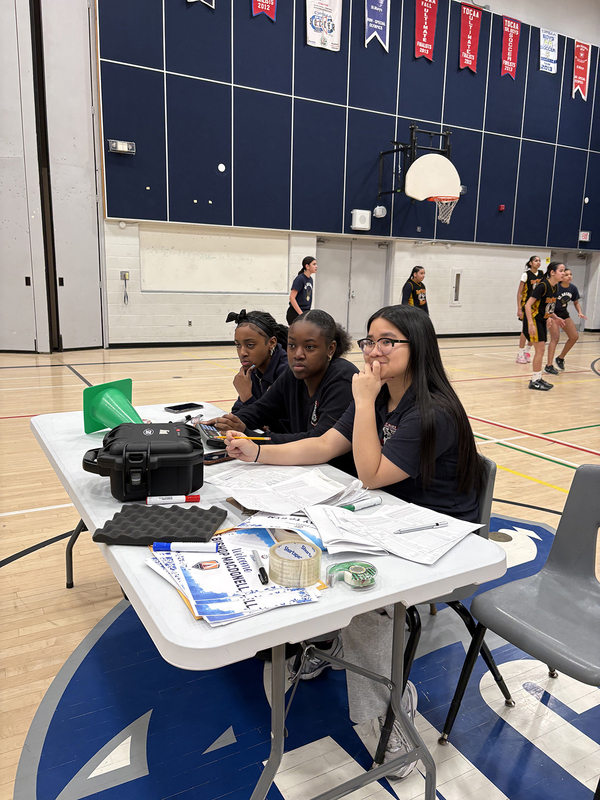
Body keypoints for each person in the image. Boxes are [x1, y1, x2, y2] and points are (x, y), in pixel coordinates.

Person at [224, 304, 483, 778]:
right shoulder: (384, 396)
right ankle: (328, 639)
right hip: (388, 514)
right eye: (370, 340)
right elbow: (325, 445)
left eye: (388, 341)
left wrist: (364, 402)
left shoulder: (431, 410)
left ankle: (385, 719)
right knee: (287, 535)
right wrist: (258, 453)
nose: (375, 350)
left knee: (365, 599)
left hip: (439, 532)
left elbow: (372, 473)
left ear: (416, 346)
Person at [207, 309, 358, 446]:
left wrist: (249, 436)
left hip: (339, 473)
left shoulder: (342, 379)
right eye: (292, 345)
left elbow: (318, 440)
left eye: (309, 347)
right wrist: (229, 422)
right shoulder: (293, 374)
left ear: (330, 348)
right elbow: (262, 408)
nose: (298, 355)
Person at [225, 309, 289, 415]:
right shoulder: (253, 370)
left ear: (272, 343)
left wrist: (246, 397)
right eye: (238, 345)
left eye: (250, 345)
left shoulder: (288, 374)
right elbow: (237, 411)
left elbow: (276, 426)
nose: (242, 353)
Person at [524, 261, 566, 391]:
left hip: (541, 320)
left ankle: (537, 378)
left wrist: (554, 317)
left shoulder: (555, 287)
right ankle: (535, 380)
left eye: (564, 271)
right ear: (552, 272)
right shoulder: (543, 286)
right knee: (540, 350)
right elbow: (527, 305)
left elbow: (548, 307)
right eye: (561, 271)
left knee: (540, 350)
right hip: (534, 320)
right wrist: (530, 323)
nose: (563, 273)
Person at [545, 268, 587, 374]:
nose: (569, 276)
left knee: (574, 336)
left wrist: (580, 312)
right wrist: (549, 317)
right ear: (561, 277)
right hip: (553, 314)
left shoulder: (573, 288)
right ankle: (549, 365)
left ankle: (560, 358)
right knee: (555, 338)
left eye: (570, 274)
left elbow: (576, 302)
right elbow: (547, 303)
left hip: (564, 314)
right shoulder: (555, 287)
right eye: (566, 275)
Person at [516, 256, 544, 363]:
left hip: (537, 306)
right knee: (525, 329)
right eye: (535, 261)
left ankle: (527, 351)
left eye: (539, 261)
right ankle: (520, 353)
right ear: (530, 263)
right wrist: (519, 308)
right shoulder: (526, 275)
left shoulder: (541, 274)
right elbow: (519, 292)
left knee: (535, 330)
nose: (538, 262)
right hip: (526, 304)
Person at [287, 257, 318, 325]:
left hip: (305, 312)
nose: (316, 266)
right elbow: (292, 298)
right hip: (295, 313)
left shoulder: (310, 279)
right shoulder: (300, 279)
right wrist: (301, 314)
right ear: (307, 266)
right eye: (314, 264)